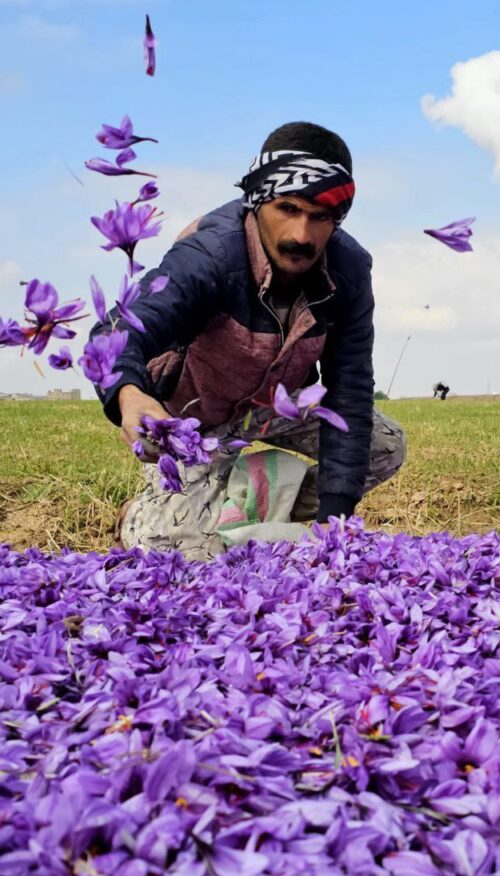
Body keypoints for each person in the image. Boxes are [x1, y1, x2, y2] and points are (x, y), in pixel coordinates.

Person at [90, 121, 406, 559]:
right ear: (258, 201)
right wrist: (128, 394)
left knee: (385, 446)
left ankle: (249, 495)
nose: (302, 235)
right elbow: (115, 334)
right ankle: (140, 515)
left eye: (321, 217)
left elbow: (348, 389)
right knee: (172, 550)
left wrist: (333, 523)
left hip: (278, 406)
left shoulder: (348, 270)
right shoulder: (210, 257)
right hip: (198, 421)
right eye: (288, 209)